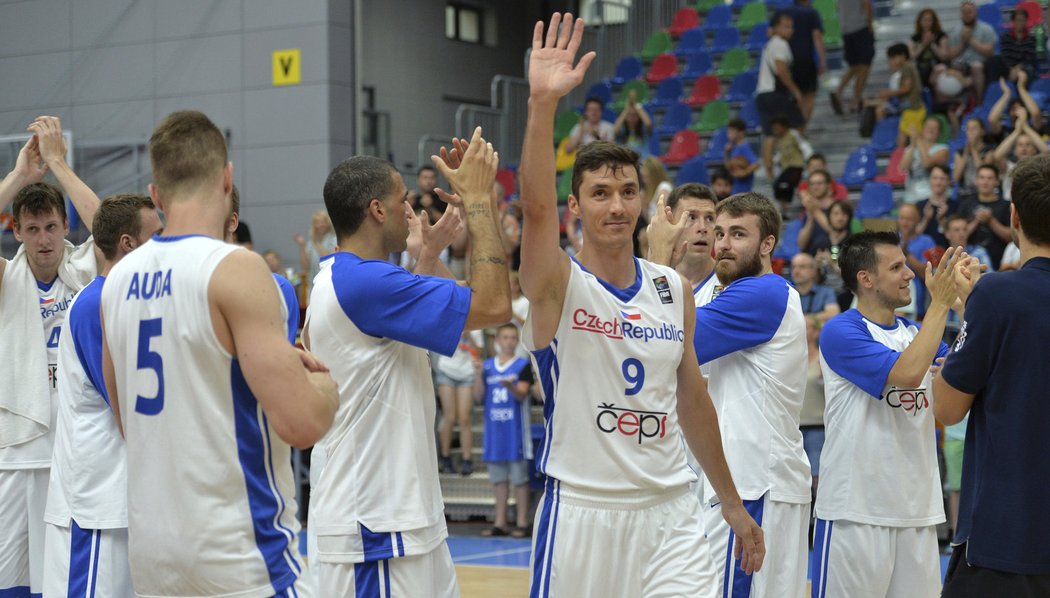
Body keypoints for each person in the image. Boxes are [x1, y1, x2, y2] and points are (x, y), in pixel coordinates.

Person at [520, 14, 763, 597]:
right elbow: (533, 213)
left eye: (628, 191)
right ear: (575, 207)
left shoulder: (672, 289)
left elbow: (692, 398)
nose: (616, 205)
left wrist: (730, 502)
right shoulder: (557, 282)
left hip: (670, 510)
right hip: (583, 511)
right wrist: (542, 106)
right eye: (599, 193)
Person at [100, 110, 339, 596]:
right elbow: (301, 424)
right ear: (227, 178)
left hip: (154, 559)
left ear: (155, 194)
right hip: (240, 556)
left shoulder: (116, 280)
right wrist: (322, 388)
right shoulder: (236, 268)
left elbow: (127, 421)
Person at [305, 127, 512, 596]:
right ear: (377, 210)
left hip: (402, 519)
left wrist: (430, 257)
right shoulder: (368, 283)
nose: (412, 209)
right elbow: (496, 303)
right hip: (375, 525)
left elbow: (395, 343)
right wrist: (480, 201)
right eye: (402, 199)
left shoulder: (348, 278)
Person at [651, 192, 811, 597]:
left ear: (767, 244)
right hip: (763, 482)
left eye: (738, 234)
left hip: (754, 485)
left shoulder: (761, 294)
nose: (722, 243)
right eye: (719, 232)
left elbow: (660, 338)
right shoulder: (752, 296)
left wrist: (657, 255)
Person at [814, 232, 961, 596]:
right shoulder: (841, 331)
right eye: (896, 267)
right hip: (855, 513)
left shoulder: (916, 333)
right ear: (866, 278)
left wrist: (968, 300)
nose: (910, 274)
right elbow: (907, 374)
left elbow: (966, 381)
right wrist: (940, 305)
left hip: (916, 512)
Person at [936, 153, 1050, 597]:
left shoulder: (998, 294)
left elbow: (946, 408)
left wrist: (970, 315)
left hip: (1009, 534)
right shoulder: (993, 299)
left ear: (1015, 216)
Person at [42, 193, 162, 598]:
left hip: (128, 499)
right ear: (128, 243)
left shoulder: (130, 301)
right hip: (98, 503)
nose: (164, 245)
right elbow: (131, 409)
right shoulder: (98, 302)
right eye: (156, 235)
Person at [0, 116, 100, 597]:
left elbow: (115, 229)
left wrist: (57, 163)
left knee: (62, 579)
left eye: (52, 227)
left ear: (65, 227)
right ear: (16, 231)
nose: (43, 239)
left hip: (75, 448)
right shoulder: (5, 278)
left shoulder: (85, 267)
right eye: (33, 228)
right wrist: (20, 176)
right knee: (12, 580)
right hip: (17, 449)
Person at [476, 323, 534, 538]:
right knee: (498, 481)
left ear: (517, 341)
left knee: (520, 480)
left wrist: (510, 386)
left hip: (515, 432)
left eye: (512, 338)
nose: (509, 341)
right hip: (494, 432)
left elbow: (522, 394)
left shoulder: (522, 365)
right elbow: (478, 397)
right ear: (497, 341)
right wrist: (477, 375)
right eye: (505, 337)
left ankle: (522, 522)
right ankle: (499, 522)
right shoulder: (488, 366)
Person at [436, 330, 482, 475]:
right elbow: (438, 343)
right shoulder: (450, 316)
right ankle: (445, 457)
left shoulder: (477, 325)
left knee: (464, 418)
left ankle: (467, 459)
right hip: (447, 369)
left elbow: (479, 350)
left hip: (467, 372)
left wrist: (469, 336)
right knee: (449, 416)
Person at [864, 44, 924, 148]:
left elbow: (906, 88)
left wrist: (888, 93)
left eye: (893, 58)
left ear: (902, 55)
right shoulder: (909, 67)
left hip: (912, 107)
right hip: (910, 108)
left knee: (905, 138)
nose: (892, 61)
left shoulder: (907, 68)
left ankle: (899, 158)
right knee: (904, 137)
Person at [756, 12, 806, 135]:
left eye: (791, 27)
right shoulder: (780, 44)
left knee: (770, 135)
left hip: (762, 95)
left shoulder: (771, 44)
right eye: (785, 26)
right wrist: (796, 92)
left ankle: (776, 153)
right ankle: (791, 152)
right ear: (776, 28)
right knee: (798, 123)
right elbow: (782, 71)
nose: (790, 30)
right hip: (774, 94)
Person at [957, 163, 1011, 269]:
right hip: (969, 262)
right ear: (976, 180)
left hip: (1000, 263)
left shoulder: (1006, 205)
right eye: (982, 178)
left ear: (997, 182)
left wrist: (991, 221)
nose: (985, 182)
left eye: (990, 178)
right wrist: (976, 221)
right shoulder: (966, 203)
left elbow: (1011, 237)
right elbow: (957, 236)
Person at [946, 1, 998, 103]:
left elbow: (989, 52)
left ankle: (979, 102)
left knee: (976, 66)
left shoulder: (987, 29)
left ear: (976, 13)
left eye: (970, 12)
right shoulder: (955, 31)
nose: (967, 15)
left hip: (982, 64)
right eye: (964, 12)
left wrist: (971, 40)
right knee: (942, 70)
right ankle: (948, 107)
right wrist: (962, 42)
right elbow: (950, 56)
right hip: (961, 65)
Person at [992, 110, 1049, 200]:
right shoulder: (1009, 167)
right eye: (1020, 145)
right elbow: (997, 156)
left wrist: (1026, 127)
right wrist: (1017, 131)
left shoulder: (1040, 167)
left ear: (1035, 150)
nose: (1024, 148)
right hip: (1009, 207)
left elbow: (1046, 152)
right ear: (1015, 150)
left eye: (1028, 144)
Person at [784, 0, 826, 123]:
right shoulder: (811, 13)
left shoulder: (784, 13)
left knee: (795, 97)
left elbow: (771, 33)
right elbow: (817, 36)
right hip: (805, 60)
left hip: (786, 62)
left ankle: (796, 129)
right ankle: (800, 129)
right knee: (808, 96)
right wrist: (822, 60)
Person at [831, 0, 874, 114]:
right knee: (865, 65)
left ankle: (839, 91)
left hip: (846, 30)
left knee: (855, 65)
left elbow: (837, 8)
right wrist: (870, 24)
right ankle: (855, 100)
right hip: (860, 27)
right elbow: (866, 4)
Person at [900, 116, 950, 204]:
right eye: (928, 126)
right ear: (923, 129)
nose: (930, 130)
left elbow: (927, 164)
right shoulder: (911, 148)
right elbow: (903, 167)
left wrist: (918, 139)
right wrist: (912, 145)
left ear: (939, 132)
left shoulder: (943, 149)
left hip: (930, 196)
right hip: (911, 195)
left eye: (934, 128)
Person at [763, 115, 808, 209]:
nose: (775, 130)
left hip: (796, 166)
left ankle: (789, 206)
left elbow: (804, 146)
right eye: (773, 128)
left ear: (784, 126)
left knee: (784, 185)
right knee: (777, 185)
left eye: (777, 127)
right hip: (786, 168)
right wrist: (773, 161)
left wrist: (810, 159)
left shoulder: (793, 134)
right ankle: (784, 208)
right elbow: (781, 154)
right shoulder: (780, 139)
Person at [294, 209, 337, 288]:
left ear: (328, 224)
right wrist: (302, 246)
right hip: (313, 284)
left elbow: (328, 259)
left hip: (330, 284)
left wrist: (315, 242)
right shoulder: (311, 243)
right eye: (317, 222)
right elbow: (305, 267)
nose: (320, 225)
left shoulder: (334, 239)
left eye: (323, 222)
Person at [790, 252, 839, 323]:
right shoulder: (787, 293)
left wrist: (803, 319)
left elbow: (833, 314)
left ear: (813, 270)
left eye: (802, 266)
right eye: (793, 267)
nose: (796, 271)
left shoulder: (826, 292)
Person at [915, 164, 956, 247]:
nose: (938, 182)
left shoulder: (956, 206)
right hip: (923, 255)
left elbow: (957, 237)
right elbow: (914, 236)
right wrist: (926, 219)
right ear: (929, 180)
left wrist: (941, 220)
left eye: (942, 179)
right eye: (935, 178)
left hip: (948, 253)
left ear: (949, 181)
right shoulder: (919, 205)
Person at [910, 8, 950, 87]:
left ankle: (931, 91)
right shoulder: (915, 38)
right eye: (924, 20)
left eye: (929, 20)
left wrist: (932, 44)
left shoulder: (941, 36)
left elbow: (943, 56)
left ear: (934, 22)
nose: (927, 23)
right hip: (921, 67)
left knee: (939, 69)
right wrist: (924, 44)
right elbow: (912, 56)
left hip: (937, 65)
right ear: (920, 22)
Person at [1000, 8, 1037, 85]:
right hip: (1009, 67)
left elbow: (1029, 58)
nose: (1020, 23)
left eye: (1023, 20)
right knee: (996, 63)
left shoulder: (1031, 38)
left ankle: (1024, 95)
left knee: (1029, 69)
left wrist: (1017, 69)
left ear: (1026, 21)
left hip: (1023, 66)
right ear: (1013, 21)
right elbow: (1005, 56)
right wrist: (1011, 69)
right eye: (1018, 20)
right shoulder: (1006, 37)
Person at [724, 119, 760, 194]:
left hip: (744, 188)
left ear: (741, 132)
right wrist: (726, 153)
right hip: (736, 187)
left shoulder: (744, 147)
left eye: (731, 132)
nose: (728, 135)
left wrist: (744, 173)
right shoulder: (734, 148)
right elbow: (728, 167)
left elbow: (756, 164)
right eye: (728, 132)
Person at [613, 90, 652, 158]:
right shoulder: (622, 131)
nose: (631, 118)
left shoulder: (643, 130)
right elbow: (615, 129)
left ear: (639, 117)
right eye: (629, 115)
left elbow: (648, 123)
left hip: (643, 163)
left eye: (634, 115)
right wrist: (626, 109)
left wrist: (634, 103)